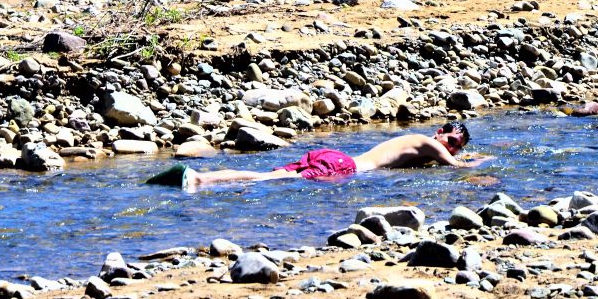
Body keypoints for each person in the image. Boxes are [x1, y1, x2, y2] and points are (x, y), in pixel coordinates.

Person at [146, 122, 493, 191]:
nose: (452, 147)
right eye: (451, 140)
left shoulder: (416, 141)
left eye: (457, 146)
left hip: (335, 157)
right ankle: (199, 179)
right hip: (344, 166)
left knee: (271, 175)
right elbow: (454, 168)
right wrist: (482, 162)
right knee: (270, 179)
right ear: (440, 132)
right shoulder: (430, 144)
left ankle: (198, 177)